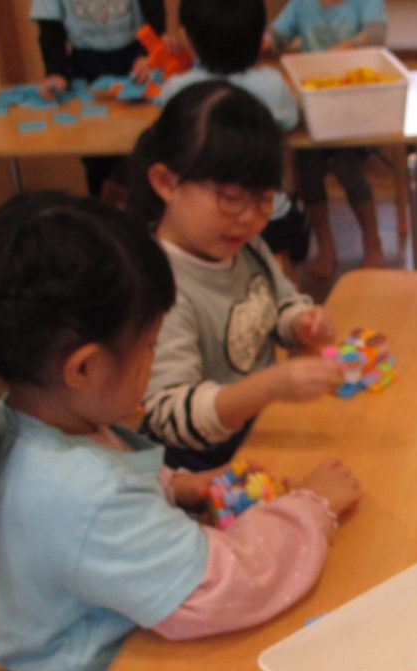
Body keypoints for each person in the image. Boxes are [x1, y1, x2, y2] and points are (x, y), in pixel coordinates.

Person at [0, 190, 361, 671]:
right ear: (83, 368)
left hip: (94, 661)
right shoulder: (81, 494)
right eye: (151, 344)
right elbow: (225, 585)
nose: (156, 358)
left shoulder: (28, 415)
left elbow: (102, 478)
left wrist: (176, 488)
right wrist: (311, 506)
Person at [126, 81, 343, 471]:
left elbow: (278, 301)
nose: (248, 216)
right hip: (201, 464)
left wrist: (300, 322)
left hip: (262, 427)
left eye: (264, 198)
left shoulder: (242, 245)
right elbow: (169, 414)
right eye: (229, 197)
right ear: (166, 182)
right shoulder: (157, 286)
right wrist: (271, 385)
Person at [158, 0, 310, 267]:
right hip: (270, 216)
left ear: (186, 38)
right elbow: (290, 119)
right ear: (260, 39)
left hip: (203, 224)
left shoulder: (175, 89)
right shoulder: (273, 85)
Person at [263, 0, 388, 278]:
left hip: (356, 106)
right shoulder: (301, 4)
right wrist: (261, 40)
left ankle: (372, 240)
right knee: (308, 170)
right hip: (314, 108)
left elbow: (376, 35)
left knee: (348, 168)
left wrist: (341, 50)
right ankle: (325, 245)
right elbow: (276, 37)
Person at [30, 0, 166, 197]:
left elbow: (155, 11)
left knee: (142, 142)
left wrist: (148, 53)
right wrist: (56, 70)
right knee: (95, 149)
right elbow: (50, 29)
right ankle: (99, 200)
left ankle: (145, 202)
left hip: (134, 57)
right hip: (85, 63)